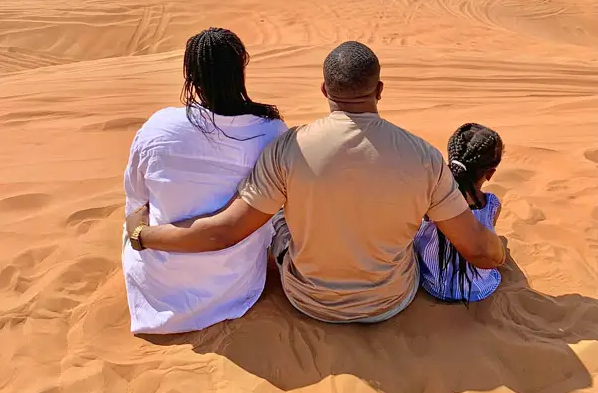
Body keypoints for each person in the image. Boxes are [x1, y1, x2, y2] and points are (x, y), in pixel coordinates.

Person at [127, 41, 506, 324]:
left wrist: (142, 234)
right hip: (390, 302)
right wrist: (501, 252)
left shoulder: (289, 149)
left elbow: (223, 232)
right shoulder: (424, 157)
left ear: (325, 91)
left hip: (307, 300)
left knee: (276, 216)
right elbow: (478, 250)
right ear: (379, 90)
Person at [123, 27, 286, 334]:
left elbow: (135, 197)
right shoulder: (269, 130)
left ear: (192, 77)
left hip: (156, 289)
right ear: (240, 71)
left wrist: (140, 232)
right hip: (236, 287)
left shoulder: (159, 126)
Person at [414, 123, 503, 303]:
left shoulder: (429, 198)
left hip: (432, 283)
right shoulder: (491, 203)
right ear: (491, 173)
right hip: (480, 288)